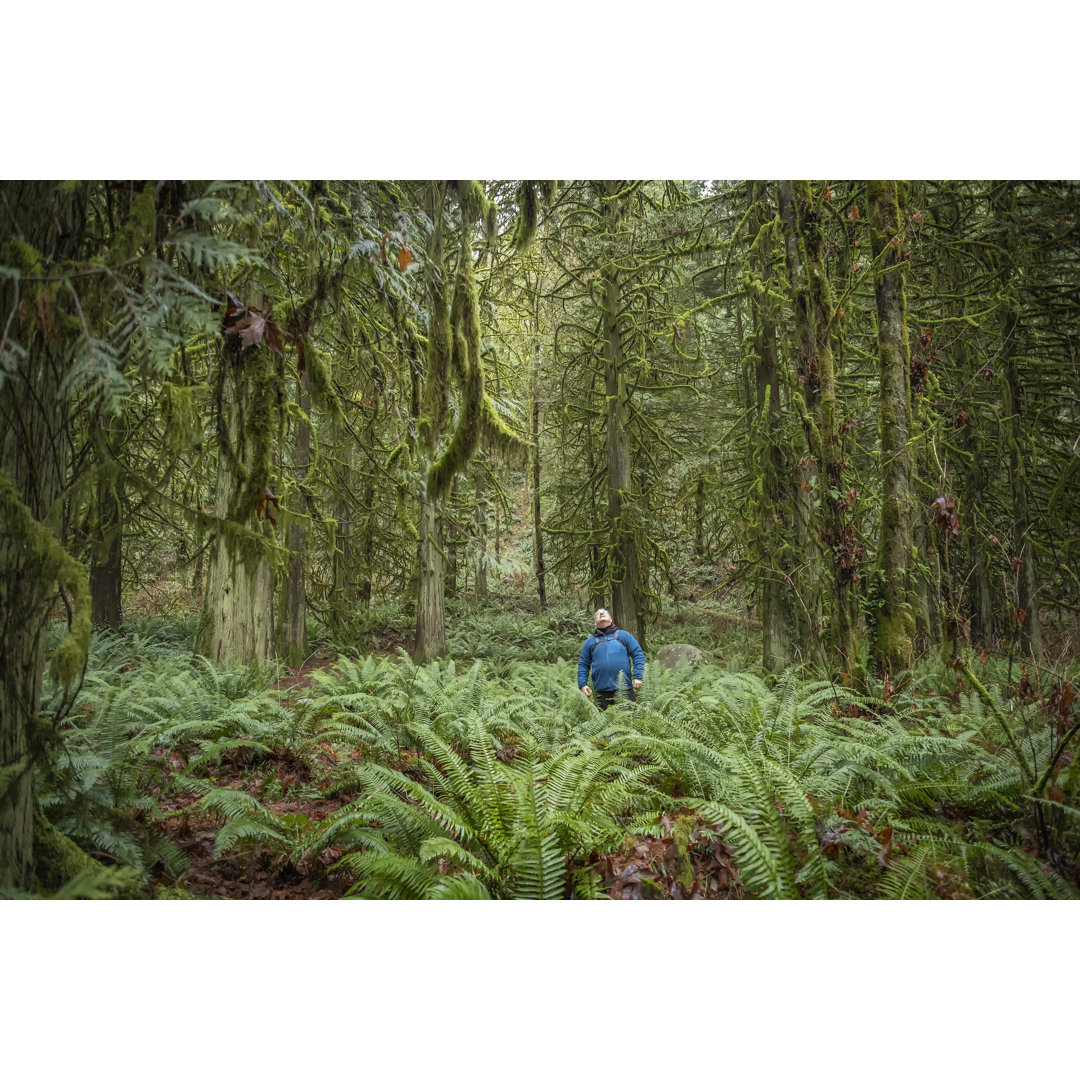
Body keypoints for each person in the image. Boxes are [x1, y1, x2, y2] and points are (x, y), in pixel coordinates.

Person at [577, 608, 644, 710]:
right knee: (606, 724)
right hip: (601, 692)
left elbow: (637, 654)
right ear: (595, 623)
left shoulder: (623, 636)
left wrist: (638, 676)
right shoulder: (590, 642)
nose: (601, 613)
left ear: (611, 619)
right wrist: (582, 684)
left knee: (629, 721)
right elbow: (583, 664)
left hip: (624, 688)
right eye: (598, 614)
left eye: (604, 613)